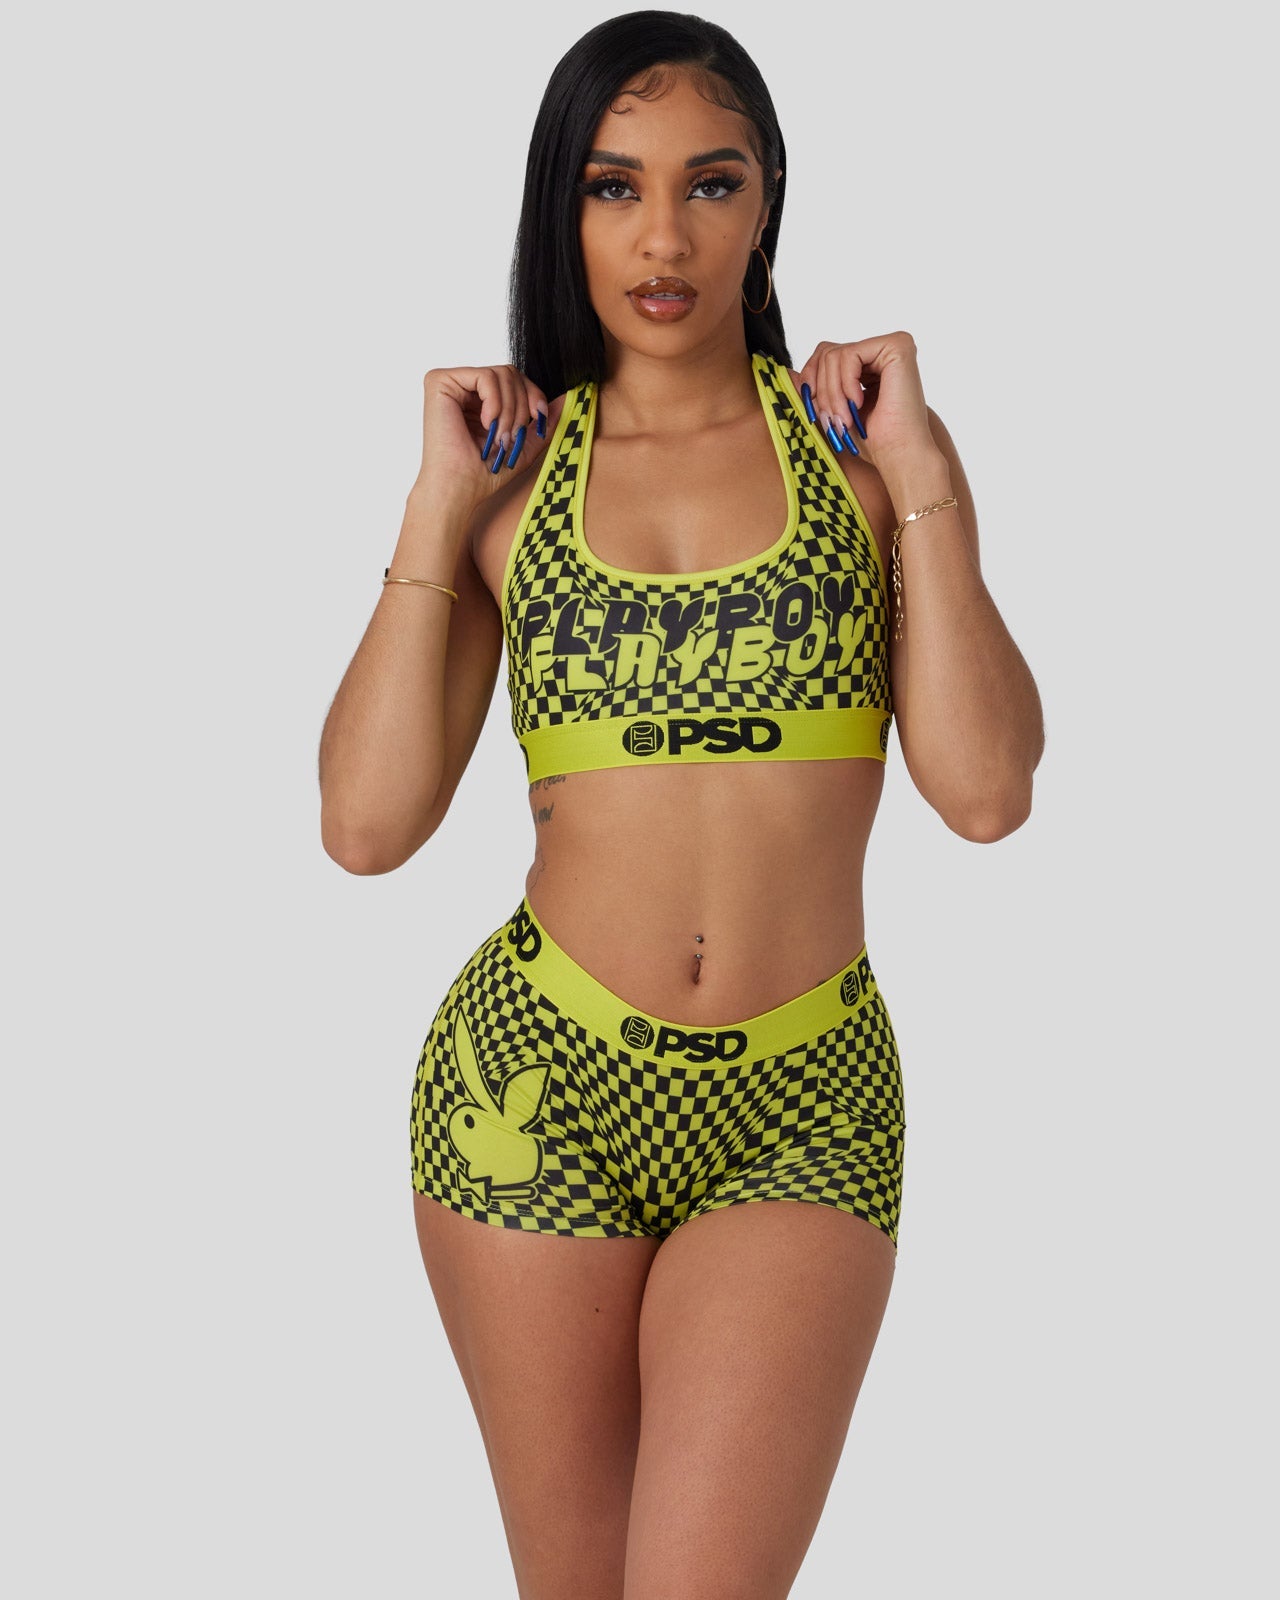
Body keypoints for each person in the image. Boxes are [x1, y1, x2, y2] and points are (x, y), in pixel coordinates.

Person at [319, 10, 1043, 1596]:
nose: (663, 238)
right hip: (536, 1085)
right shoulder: (509, 485)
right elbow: (366, 828)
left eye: (711, 184)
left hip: (805, 1098)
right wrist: (436, 505)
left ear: (768, 196)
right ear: (562, 207)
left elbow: (987, 791)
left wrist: (928, 469)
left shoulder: (866, 464)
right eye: (614, 186)